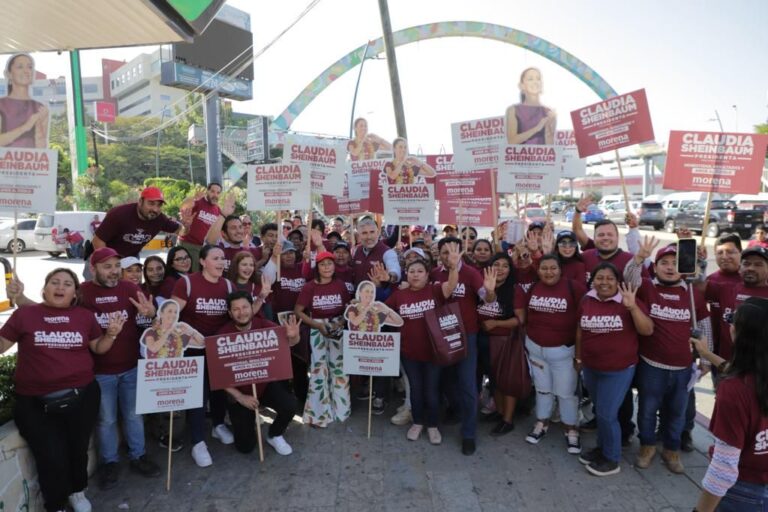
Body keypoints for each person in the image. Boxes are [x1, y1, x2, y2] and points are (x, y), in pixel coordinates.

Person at [1, 269, 121, 512]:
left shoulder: (84, 317)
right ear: (44, 289)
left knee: (77, 449)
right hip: (35, 402)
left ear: (75, 294)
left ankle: (77, 491)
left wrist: (111, 334)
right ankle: (55, 504)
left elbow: (98, 347)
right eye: (54, 282)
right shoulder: (25, 314)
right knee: (49, 456)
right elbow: (2, 346)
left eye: (67, 284)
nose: (60, 287)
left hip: (82, 397)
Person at [625, 241, 711, 474]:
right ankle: (647, 446)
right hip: (651, 366)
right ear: (656, 267)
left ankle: (671, 450)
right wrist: (639, 259)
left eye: (675, 263)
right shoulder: (647, 287)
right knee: (646, 410)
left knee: (676, 413)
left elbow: (704, 325)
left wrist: (705, 359)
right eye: (664, 262)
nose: (670, 267)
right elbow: (629, 281)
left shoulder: (692, 293)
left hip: (683, 368)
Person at [575, 263, 653, 476]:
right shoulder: (587, 299)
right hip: (592, 367)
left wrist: (632, 307)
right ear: (593, 280)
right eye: (600, 278)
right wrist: (579, 357)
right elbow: (580, 331)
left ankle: (612, 458)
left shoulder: (627, 300)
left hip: (618, 370)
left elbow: (647, 330)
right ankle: (603, 447)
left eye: (610, 278)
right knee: (600, 412)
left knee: (608, 414)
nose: (604, 282)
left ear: (618, 282)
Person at [692, 297, 768, 512]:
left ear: (741, 333)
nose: (729, 323)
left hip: (742, 492)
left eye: (732, 319)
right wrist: (706, 354)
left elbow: (724, 469)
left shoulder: (734, 390)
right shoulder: (754, 378)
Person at [430, 237, 498, 455]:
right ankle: (454, 410)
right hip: (440, 335)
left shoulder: (470, 273)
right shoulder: (435, 273)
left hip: (466, 335)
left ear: (461, 253)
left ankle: (469, 433)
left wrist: (489, 292)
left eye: (453, 251)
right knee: (445, 380)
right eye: (444, 252)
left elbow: (487, 299)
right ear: (438, 254)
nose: (449, 255)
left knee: (467, 384)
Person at [170, 245, 235, 467]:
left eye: (223, 259)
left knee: (219, 389)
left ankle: (218, 425)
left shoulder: (228, 284)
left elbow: (237, 314)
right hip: (192, 350)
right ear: (203, 261)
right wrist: (190, 336)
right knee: (197, 396)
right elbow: (171, 317)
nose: (221, 262)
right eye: (216, 258)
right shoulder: (186, 283)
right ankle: (198, 442)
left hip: (219, 349)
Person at [386, 250, 459, 445]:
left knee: (431, 390)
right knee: (416, 389)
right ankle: (417, 422)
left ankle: (433, 425)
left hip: (434, 352)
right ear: (406, 274)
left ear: (427, 275)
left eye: (420, 271)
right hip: (409, 353)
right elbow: (381, 312)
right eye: (411, 271)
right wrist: (359, 305)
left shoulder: (434, 290)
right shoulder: (399, 295)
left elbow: (451, 285)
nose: (415, 274)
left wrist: (453, 267)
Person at [217, 291, 301, 456]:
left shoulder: (264, 325)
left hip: (264, 385)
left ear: (252, 308)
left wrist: (294, 336)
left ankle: (274, 434)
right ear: (229, 313)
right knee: (245, 447)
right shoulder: (221, 335)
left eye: (245, 307)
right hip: (240, 393)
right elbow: (219, 375)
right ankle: (248, 423)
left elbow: (289, 344)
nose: (242, 313)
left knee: (290, 405)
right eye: (236, 309)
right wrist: (240, 397)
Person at [516, 254, 585, 452]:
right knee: (542, 389)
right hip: (536, 350)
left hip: (563, 353)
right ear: (538, 271)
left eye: (553, 268)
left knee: (565, 393)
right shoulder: (533, 288)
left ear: (560, 269)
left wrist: (580, 355)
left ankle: (571, 428)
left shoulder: (574, 288)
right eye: (544, 268)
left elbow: (584, 320)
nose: (549, 272)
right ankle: (542, 422)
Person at [294, 252, 352, 427]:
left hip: (337, 329)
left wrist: (341, 322)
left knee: (339, 369)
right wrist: (317, 325)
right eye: (323, 264)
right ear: (317, 267)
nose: (327, 267)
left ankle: (341, 410)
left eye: (330, 264)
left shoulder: (340, 285)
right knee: (319, 370)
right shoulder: (309, 287)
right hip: (316, 329)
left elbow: (348, 310)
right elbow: (298, 311)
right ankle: (318, 414)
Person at [478, 253, 521, 436]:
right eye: (497, 264)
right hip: (484, 340)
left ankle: (508, 420)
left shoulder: (515, 290)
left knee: (506, 381)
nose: (501, 269)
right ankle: (500, 412)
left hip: (505, 342)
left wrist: (496, 324)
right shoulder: (482, 287)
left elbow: (520, 319)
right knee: (494, 380)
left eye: (505, 265)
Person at [93, 187, 186, 258]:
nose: (155, 209)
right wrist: (111, 264)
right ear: (140, 201)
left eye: (159, 205)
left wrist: (186, 224)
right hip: (103, 255)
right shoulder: (119, 214)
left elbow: (181, 231)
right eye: (151, 203)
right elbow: (98, 241)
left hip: (131, 258)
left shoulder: (160, 219)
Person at [0, 53, 48, 148]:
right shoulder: (1, 104)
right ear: (9, 74)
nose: (26, 71)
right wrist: (25, 127)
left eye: (30, 67)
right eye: (20, 67)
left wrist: (39, 129)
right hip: (5, 161)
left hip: (30, 162)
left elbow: (41, 147)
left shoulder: (40, 108)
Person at [177, 183, 222, 272]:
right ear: (207, 191)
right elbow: (182, 207)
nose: (215, 195)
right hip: (188, 244)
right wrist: (193, 198)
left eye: (218, 193)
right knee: (187, 275)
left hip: (205, 249)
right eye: (212, 191)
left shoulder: (218, 210)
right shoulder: (198, 202)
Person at [505, 67, 556, 145]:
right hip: (520, 156)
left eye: (538, 79)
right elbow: (511, 141)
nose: (535, 82)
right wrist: (537, 128)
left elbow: (550, 147)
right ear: (521, 85)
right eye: (530, 79)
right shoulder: (513, 110)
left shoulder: (548, 112)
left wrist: (550, 126)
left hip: (541, 156)